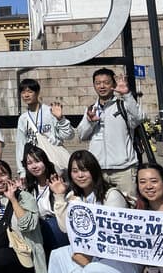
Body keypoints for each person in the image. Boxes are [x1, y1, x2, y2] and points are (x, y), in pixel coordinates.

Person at [45, 149, 140, 273]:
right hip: (89, 251)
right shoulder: (75, 196)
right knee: (58, 256)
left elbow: (111, 233)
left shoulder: (112, 195)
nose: (80, 175)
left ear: (93, 171)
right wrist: (60, 197)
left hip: (115, 256)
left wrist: (82, 210)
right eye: (75, 171)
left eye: (84, 170)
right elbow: (65, 228)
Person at [76, 68, 145, 197]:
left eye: (106, 82)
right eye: (98, 83)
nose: (102, 86)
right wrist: (90, 121)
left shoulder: (123, 105)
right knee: (102, 206)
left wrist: (127, 95)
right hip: (98, 170)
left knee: (129, 207)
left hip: (124, 170)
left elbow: (138, 119)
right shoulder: (92, 109)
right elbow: (82, 135)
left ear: (113, 85)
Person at [15, 78, 73, 177]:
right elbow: (20, 145)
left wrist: (60, 119)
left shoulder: (50, 112)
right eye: (23, 92)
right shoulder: (23, 118)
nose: (26, 95)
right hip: (34, 163)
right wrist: (22, 171)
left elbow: (68, 135)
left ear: (37, 92)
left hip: (53, 160)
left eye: (30, 91)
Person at [21, 144, 68, 257]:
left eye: (37, 161)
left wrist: (59, 193)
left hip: (57, 229)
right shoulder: (29, 187)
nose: (34, 166)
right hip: (38, 228)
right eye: (29, 163)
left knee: (51, 225)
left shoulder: (58, 182)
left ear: (45, 162)